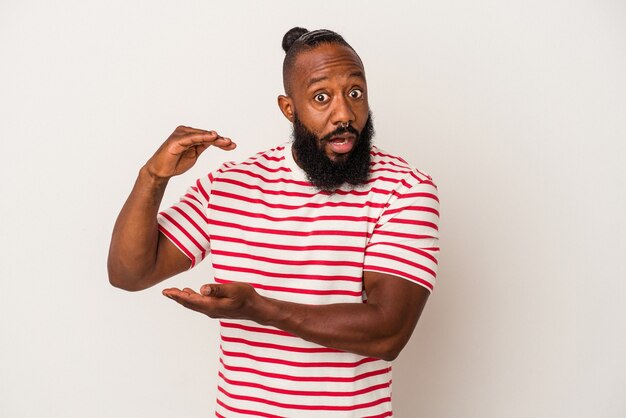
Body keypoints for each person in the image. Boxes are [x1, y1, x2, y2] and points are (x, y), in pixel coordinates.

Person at [108, 27, 440, 417]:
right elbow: (130, 274)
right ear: (289, 108)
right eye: (321, 97)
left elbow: (388, 332)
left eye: (355, 93)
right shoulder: (230, 185)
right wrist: (153, 177)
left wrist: (260, 308)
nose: (345, 114)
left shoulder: (405, 189)